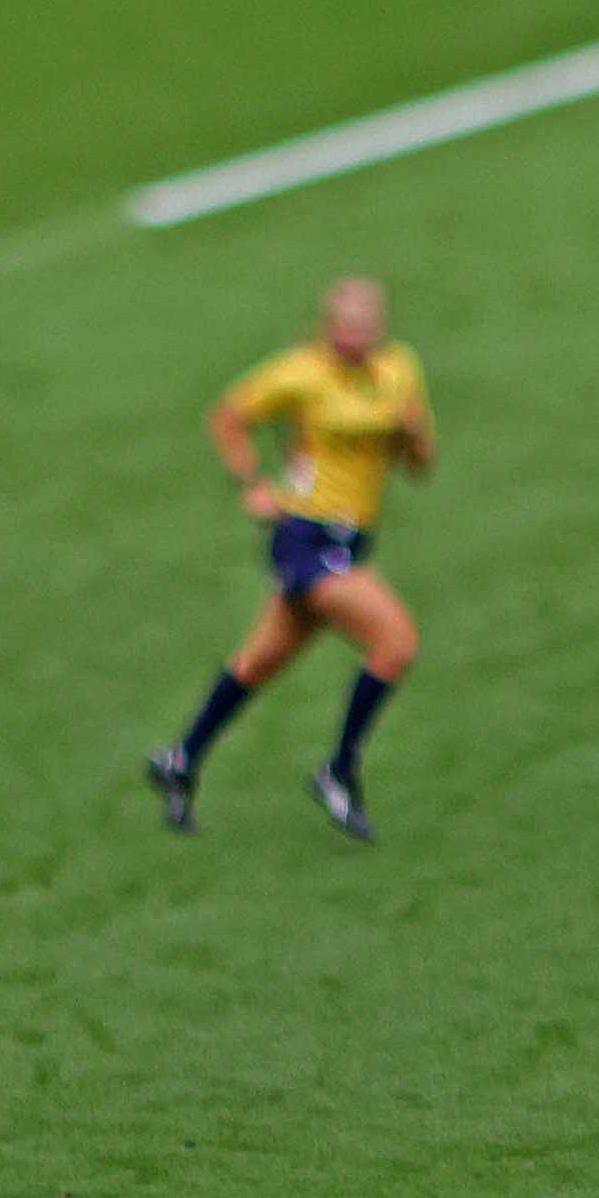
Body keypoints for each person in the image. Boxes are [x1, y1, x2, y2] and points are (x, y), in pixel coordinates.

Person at [154, 281, 434, 843]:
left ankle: (180, 759)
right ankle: (339, 769)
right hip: (306, 536)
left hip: (353, 539)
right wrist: (252, 483)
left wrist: (410, 430)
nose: (359, 335)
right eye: (348, 325)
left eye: (368, 325)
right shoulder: (299, 373)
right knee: (396, 642)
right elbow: (229, 415)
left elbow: (418, 464)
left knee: (260, 661)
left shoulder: (399, 369)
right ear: (329, 325)